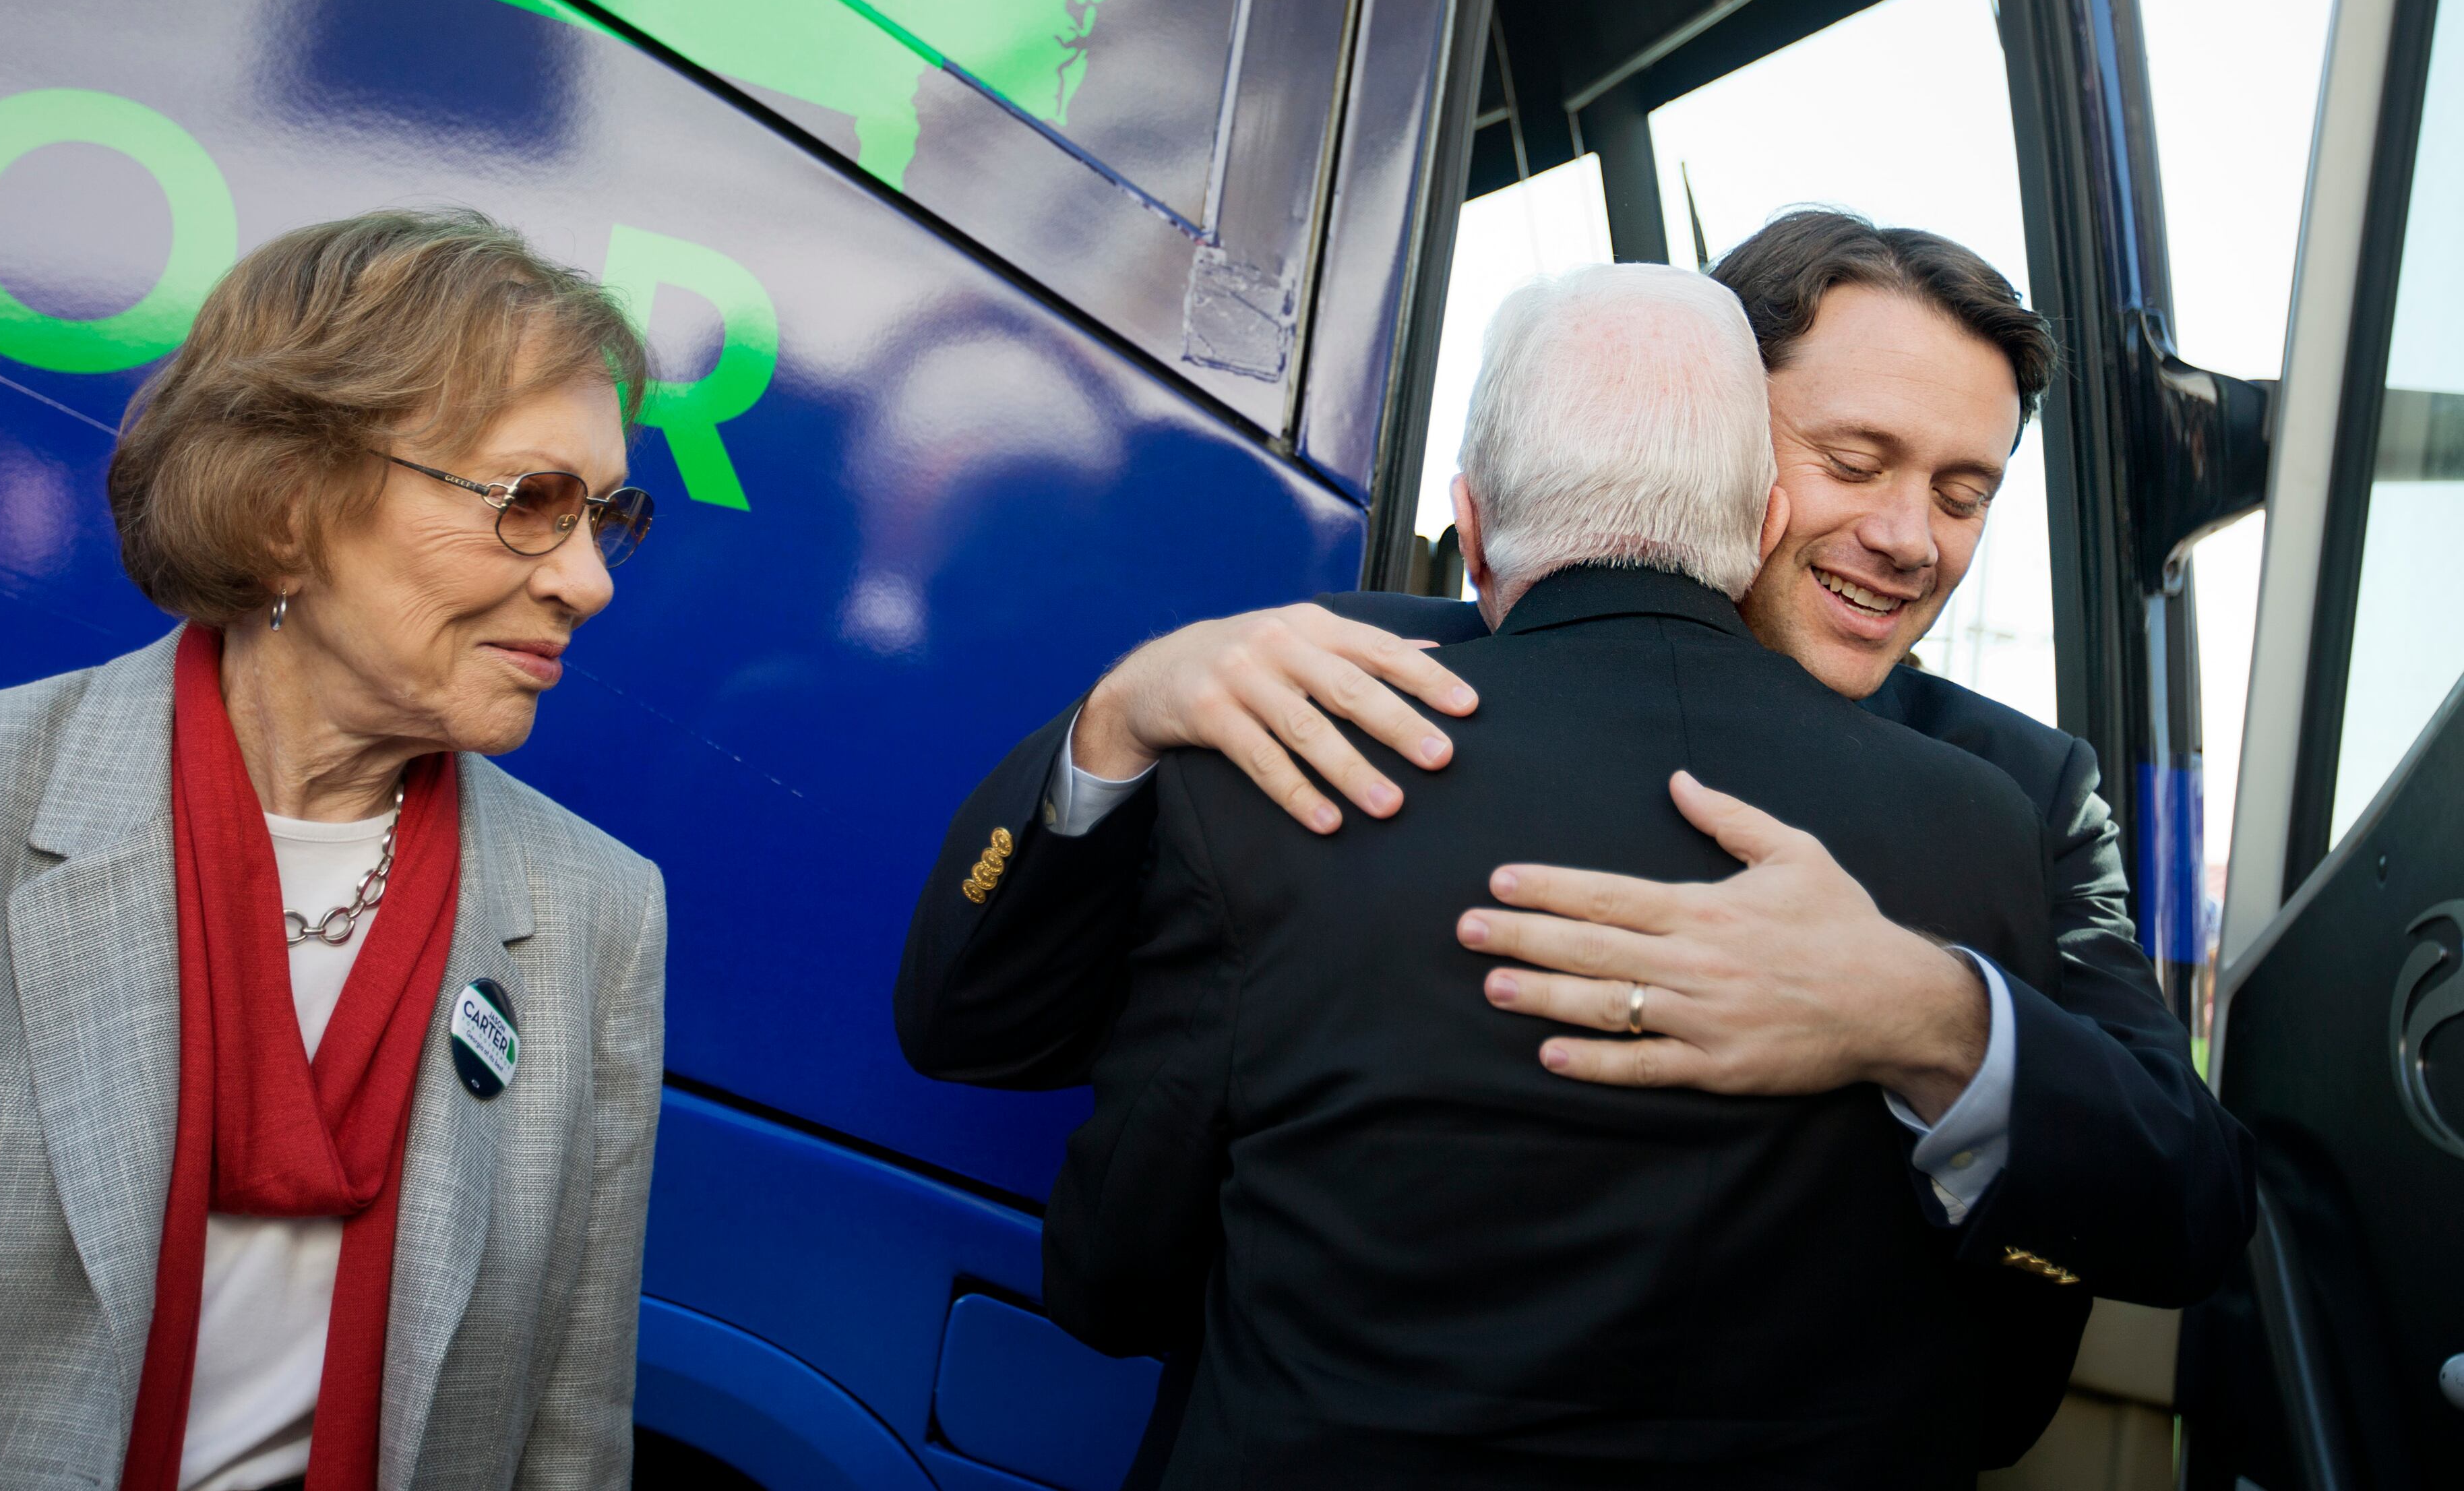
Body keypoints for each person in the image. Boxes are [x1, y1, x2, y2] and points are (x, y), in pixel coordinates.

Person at [896, 211, 2254, 1467]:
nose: (1910, 539)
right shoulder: (1338, 684)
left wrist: (1933, 1018)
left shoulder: (2017, 788)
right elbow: (980, 1022)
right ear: (1714, 426)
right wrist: (1121, 718)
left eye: (1965, 494)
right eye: (1856, 462)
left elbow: (2186, 1196)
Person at [0, 210, 667, 1491]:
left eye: (604, 515)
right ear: (290, 507)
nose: (589, 579)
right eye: (533, 503)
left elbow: (568, 1438)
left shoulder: (597, 911)